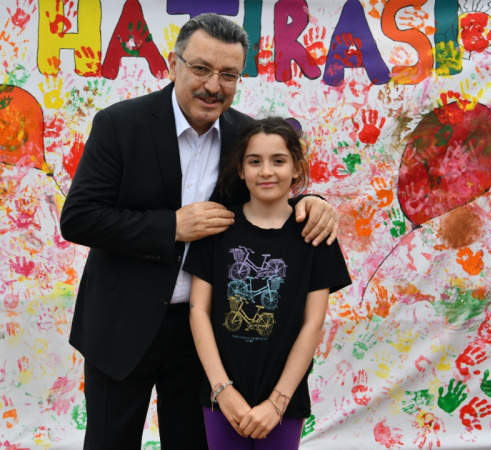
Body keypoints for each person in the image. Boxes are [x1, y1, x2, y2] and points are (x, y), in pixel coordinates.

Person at [59, 14, 339, 450]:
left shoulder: (245, 135)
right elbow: (79, 217)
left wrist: (312, 202)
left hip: (205, 334)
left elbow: (271, 186)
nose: (213, 85)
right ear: (174, 65)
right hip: (121, 323)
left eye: (228, 74)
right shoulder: (120, 123)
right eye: (201, 68)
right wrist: (171, 226)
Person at [183, 117, 352, 449]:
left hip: (284, 399)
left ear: (297, 169)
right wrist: (222, 390)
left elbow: (313, 323)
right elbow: (198, 311)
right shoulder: (217, 229)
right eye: (254, 161)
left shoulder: (314, 236)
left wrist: (278, 401)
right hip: (221, 395)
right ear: (240, 169)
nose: (266, 171)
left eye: (278, 161)